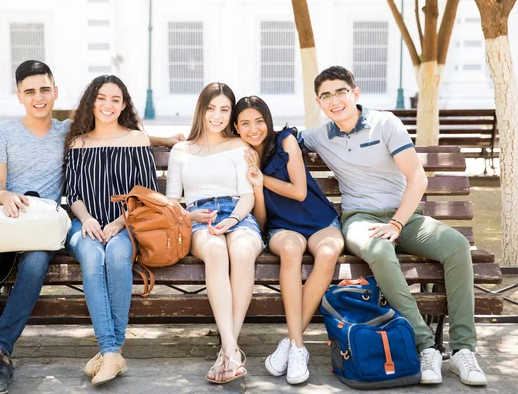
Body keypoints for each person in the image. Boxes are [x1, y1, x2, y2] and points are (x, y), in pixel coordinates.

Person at [0, 60, 183, 394]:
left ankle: (3, 353)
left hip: (52, 224)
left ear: (55, 92)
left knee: (41, 261)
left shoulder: (67, 131)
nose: (39, 97)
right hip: (11, 216)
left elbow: (116, 135)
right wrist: (6, 195)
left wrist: (166, 140)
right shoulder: (9, 133)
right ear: (19, 95)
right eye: (30, 91)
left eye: (44, 90)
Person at [299, 65, 487, 386]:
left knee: (456, 245)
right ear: (319, 103)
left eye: (341, 92)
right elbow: (275, 137)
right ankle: (424, 345)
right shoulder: (320, 136)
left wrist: (398, 223)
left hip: (404, 216)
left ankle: (462, 350)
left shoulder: (385, 123)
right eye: (326, 96)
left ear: (355, 93)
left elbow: (418, 177)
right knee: (380, 251)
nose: (335, 100)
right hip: (360, 219)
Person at [233, 96, 344, 385]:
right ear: (236, 127)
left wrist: (262, 178)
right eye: (245, 123)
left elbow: (299, 192)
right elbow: (259, 220)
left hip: (320, 219)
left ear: (268, 122)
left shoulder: (285, 141)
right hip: (282, 227)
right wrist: (255, 185)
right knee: (292, 251)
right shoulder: (240, 155)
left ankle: (293, 344)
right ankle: (297, 348)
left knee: (329, 252)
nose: (253, 128)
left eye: (259, 121)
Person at [165, 83, 263, 384]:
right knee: (216, 251)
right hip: (197, 218)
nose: (217, 115)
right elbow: (171, 203)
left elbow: (248, 196)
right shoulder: (181, 150)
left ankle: (228, 352)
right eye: (211, 108)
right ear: (201, 110)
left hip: (238, 213)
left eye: (224, 109)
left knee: (243, 250)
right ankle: (231, 349)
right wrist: (190, 215)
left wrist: (233, 220)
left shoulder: (239, 147)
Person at [64, 75, 158, 386]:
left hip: (126, 224)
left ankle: (109, 351)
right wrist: (88, 219)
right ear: (92, 102)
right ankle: (111, 350)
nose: (108, 105)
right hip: (85, 222)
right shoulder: (78, 142)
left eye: (115, 100)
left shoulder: (136, 139)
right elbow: (73, 193)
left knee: (117, 256)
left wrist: (119, 222)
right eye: (101, 98)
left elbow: (146, 192)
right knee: (92, 258)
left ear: (124, 105)